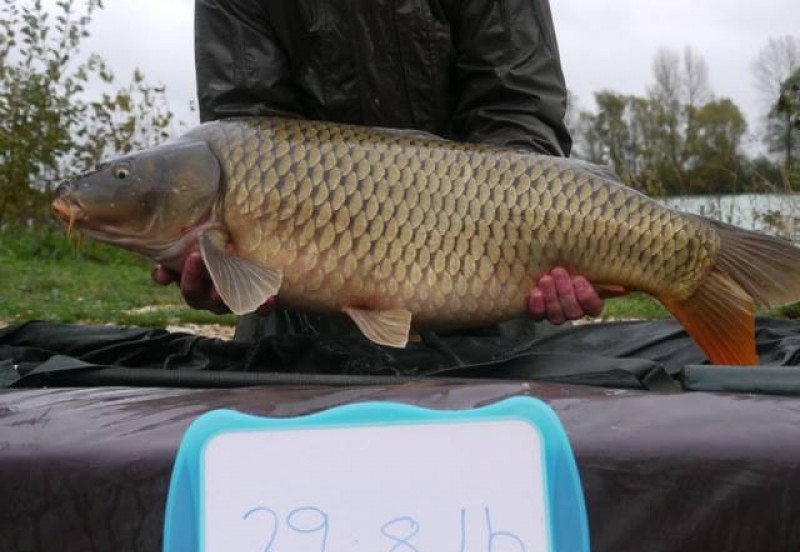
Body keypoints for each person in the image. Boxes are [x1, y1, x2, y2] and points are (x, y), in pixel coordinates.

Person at [153, 0, 605, 342]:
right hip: (297, 326)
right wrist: (225, 271)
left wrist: (530, 235)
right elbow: (245, 132)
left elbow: (518, 110)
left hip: (487, 291)